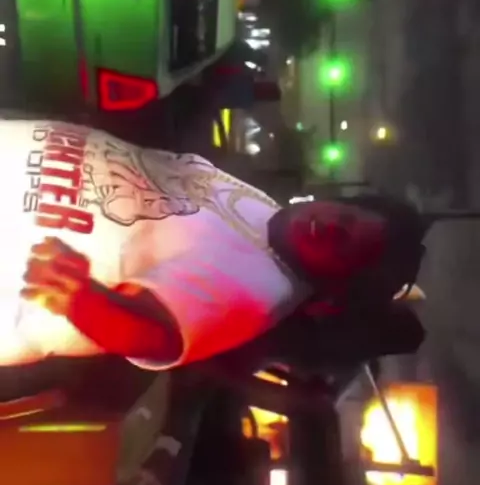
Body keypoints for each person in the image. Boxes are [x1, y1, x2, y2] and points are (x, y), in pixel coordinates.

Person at [0, 118, 424, 369]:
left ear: (334, 282)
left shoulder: (257, 290)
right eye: (347, 217)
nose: (333, 228)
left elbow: (154, 335)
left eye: (345, 247)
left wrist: (79, 298)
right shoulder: (264, 211)